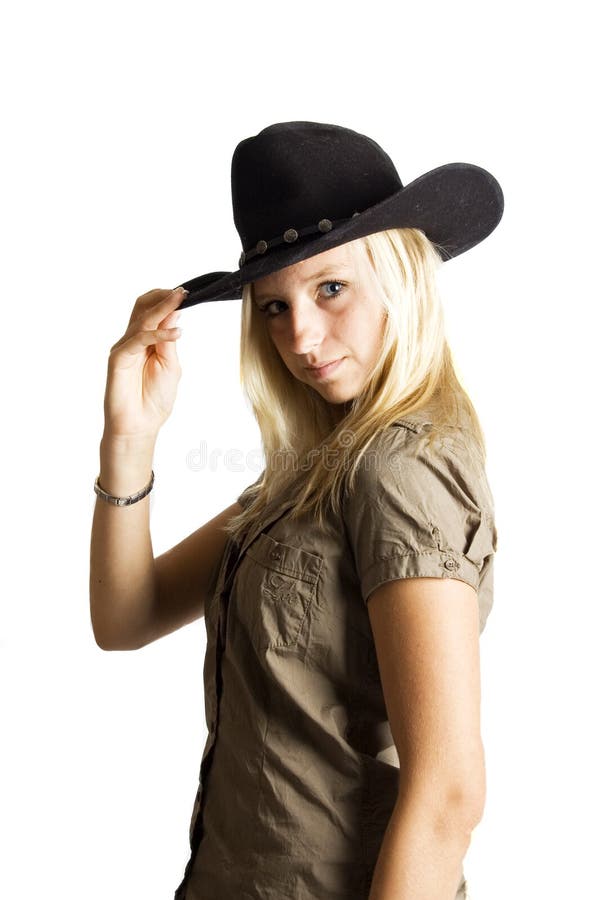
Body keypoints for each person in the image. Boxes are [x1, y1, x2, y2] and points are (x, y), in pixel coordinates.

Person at [89, 121, 503, 900]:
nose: (301, 336)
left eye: (330, 289)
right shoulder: (312, 473)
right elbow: (125, 617)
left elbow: (449, 789)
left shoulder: (401, 467)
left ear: (399, 275)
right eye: (273, 307)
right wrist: (130, 435)